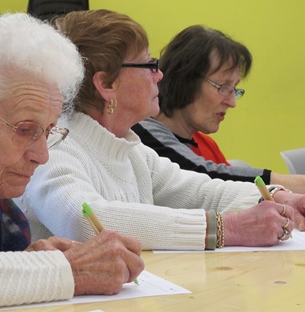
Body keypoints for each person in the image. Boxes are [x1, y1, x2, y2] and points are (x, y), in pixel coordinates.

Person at [0, 13, 144, 311]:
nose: (42, 155)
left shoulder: (3, 211)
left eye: (48, 132)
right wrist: (68, 270)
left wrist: (29, 263)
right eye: (25, 130)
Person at [16, 9, 305, 252]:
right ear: (106, 85)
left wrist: (277, 197)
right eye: (149, 64)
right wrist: (226, 229)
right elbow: (88, 220)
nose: (160, 74)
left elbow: (200, 190)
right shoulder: (53, 145)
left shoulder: (131, 149)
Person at [132, 25, 305, 193]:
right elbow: (207, 178)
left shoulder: (206, 145)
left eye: (234, 89)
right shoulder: (140, 136)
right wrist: (288, 183)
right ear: (185, 81)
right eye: (223, 87)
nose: (232, 102)